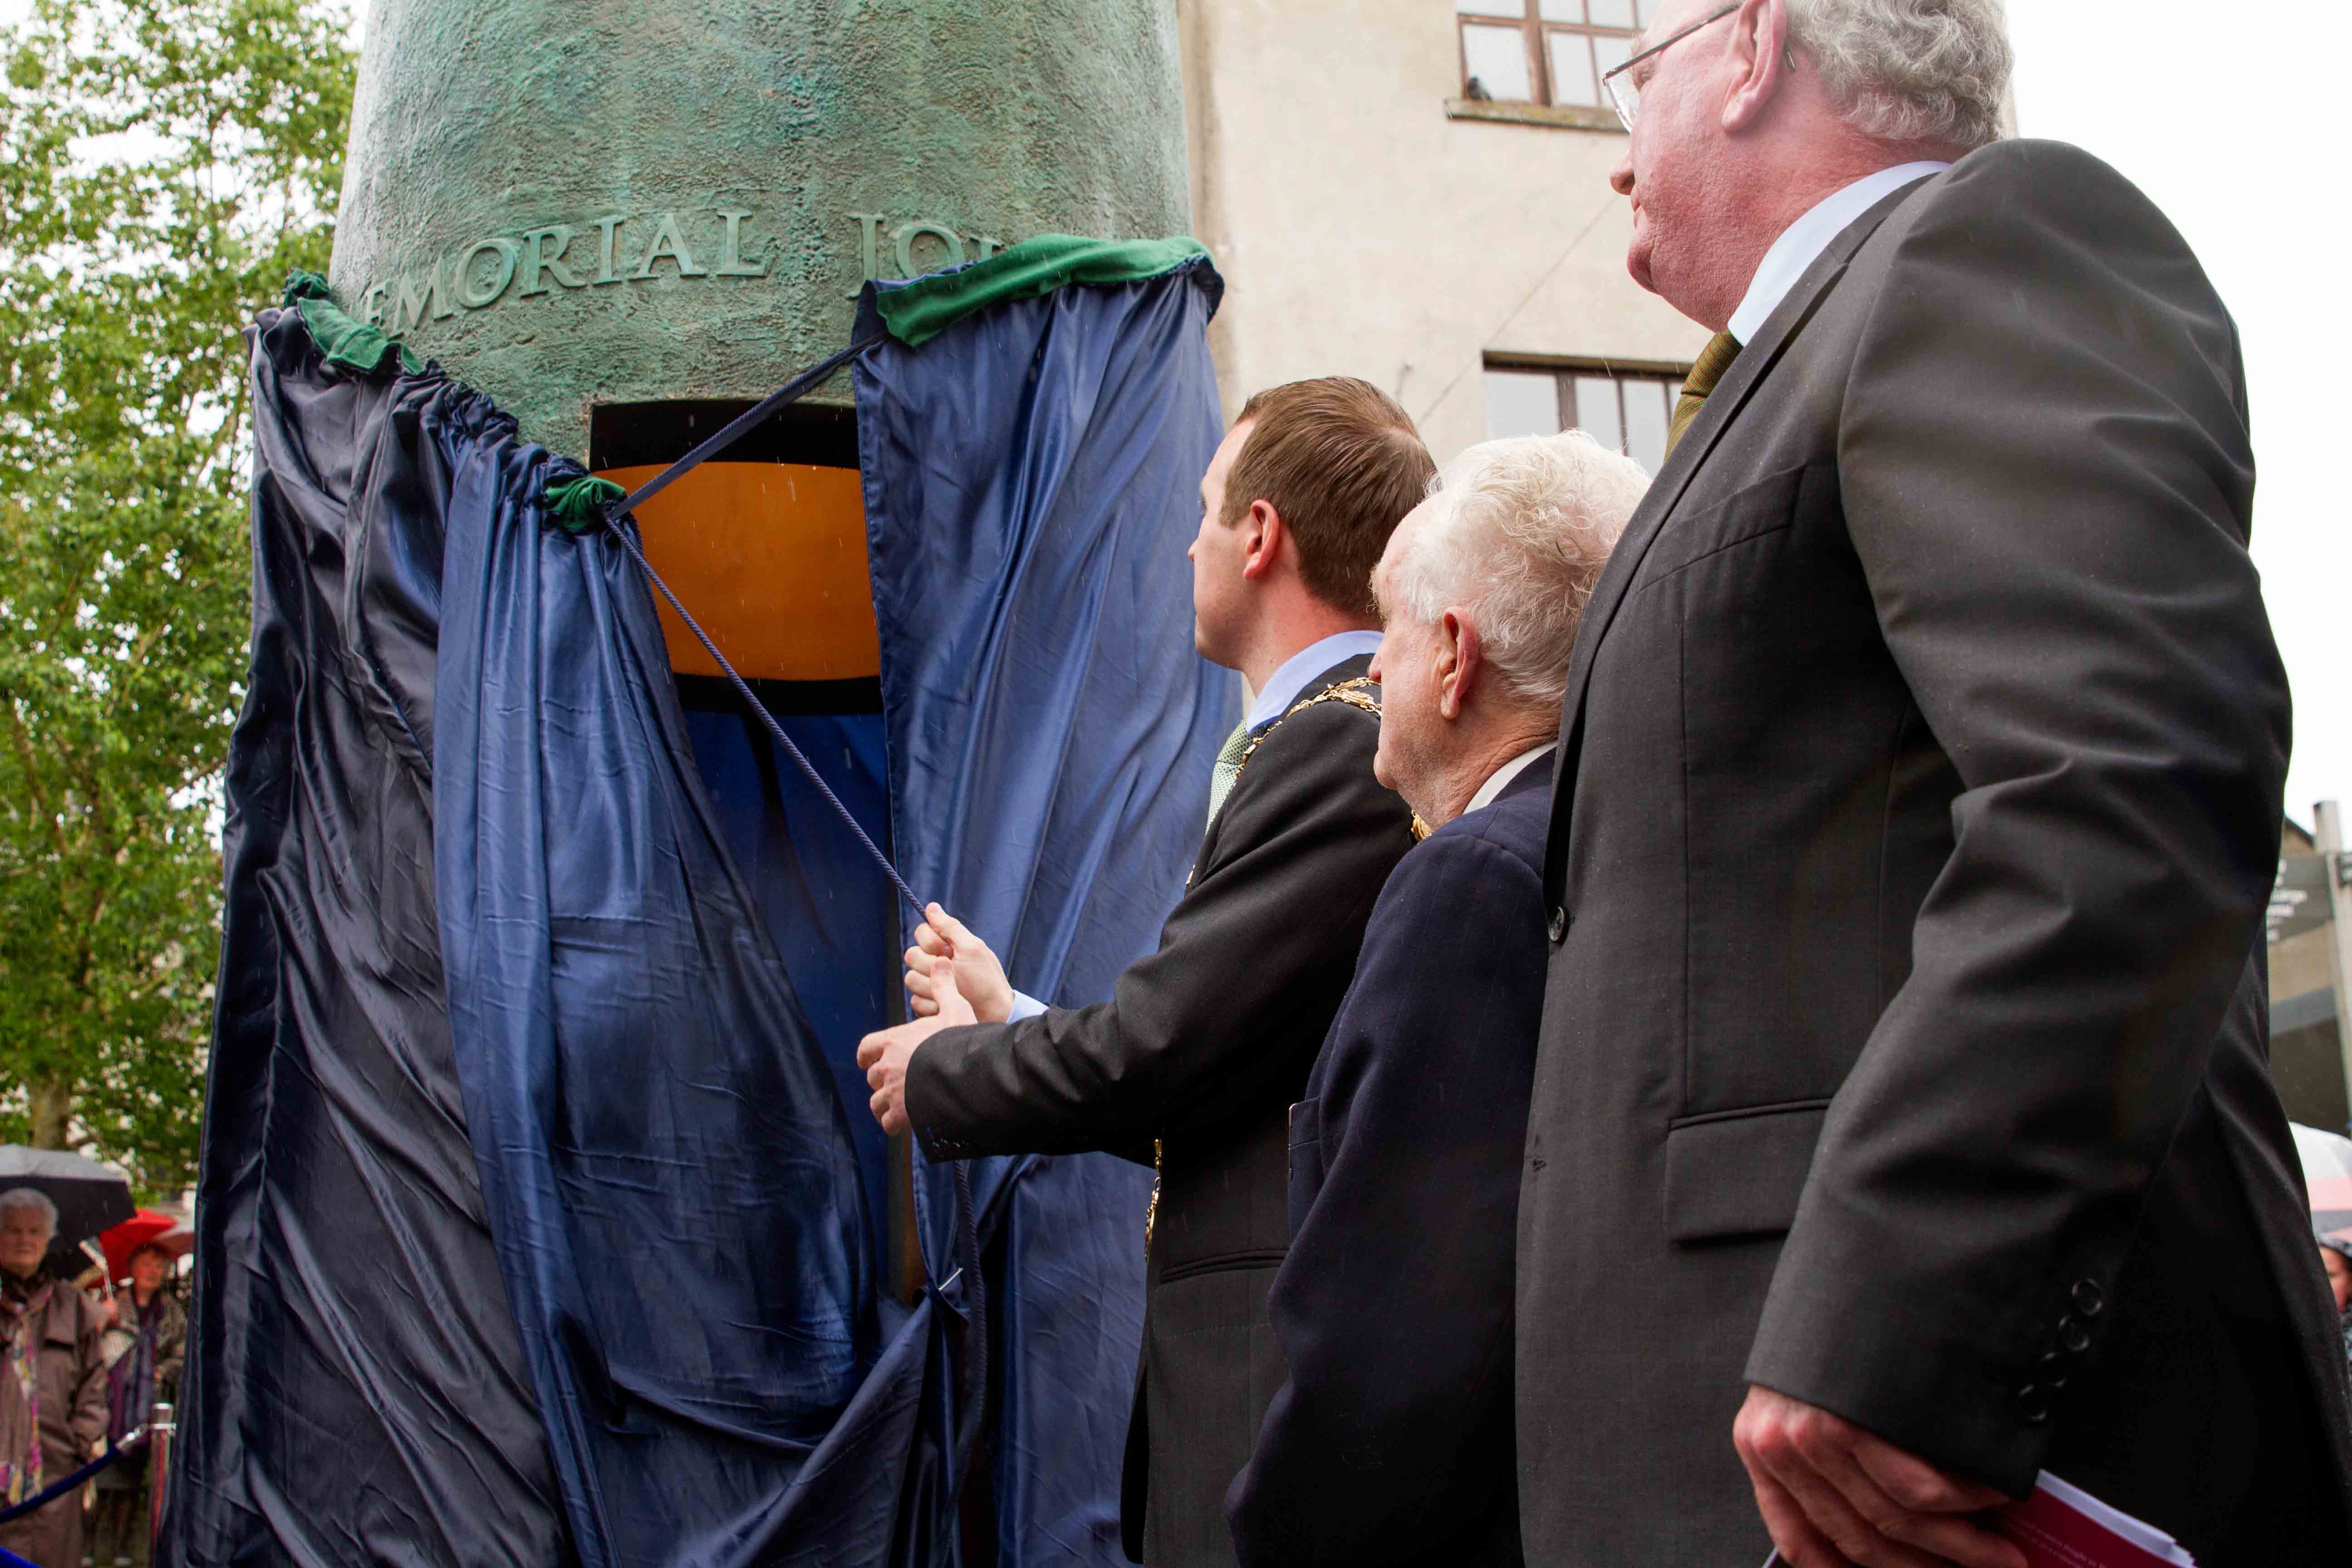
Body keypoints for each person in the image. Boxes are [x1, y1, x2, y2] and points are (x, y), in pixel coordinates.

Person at [1515, 2, 2352, 1565]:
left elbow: (2121, 778)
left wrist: (1901, 1303)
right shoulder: (1783, 371)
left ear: (1754, 44)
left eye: (1635, 73)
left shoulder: (1983, 242)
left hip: (1919, 1456)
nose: (1611, 164)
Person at [857, 377, 1429, 1568]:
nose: (1187, 541)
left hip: (1276, 1377)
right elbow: (1227, 1070)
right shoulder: (1341, 734)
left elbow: (1166, 1048)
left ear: (1262, 536)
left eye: (1208, 509)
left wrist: (953, 1067)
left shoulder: (1336, 742)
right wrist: (1006, 1011)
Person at [1226, 431, 1645, 1567]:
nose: (1369, 677)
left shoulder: (1469, 880)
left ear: (1453, 659)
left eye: (1390, 633)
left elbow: (1399, 1329)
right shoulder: (1636, 845)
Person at [0, 1189, 108, 1568]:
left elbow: (95, 1386)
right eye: (13, 1231)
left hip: (55, 1482)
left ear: (48, 1239)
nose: (24, 1240)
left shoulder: (73, 1306)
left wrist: (79, 1444)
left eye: (34, 1230)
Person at [89, 1242, 184, 1568]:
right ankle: (96, 1546)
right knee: (102, 1479)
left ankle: (125, 1547)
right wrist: (103, 1319)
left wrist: (162, 1371)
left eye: (159, 1266)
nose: (153, 1272)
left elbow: (182, 1355)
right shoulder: (113, 1303)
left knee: (134, 1483)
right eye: (147, 1264)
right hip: (111, 1407)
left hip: (148, 1411)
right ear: (132, 1268)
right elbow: (90, 1349)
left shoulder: (171, 1310)